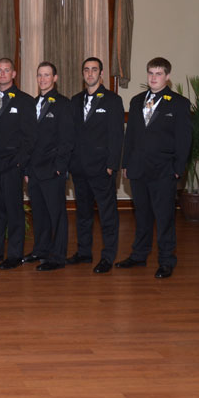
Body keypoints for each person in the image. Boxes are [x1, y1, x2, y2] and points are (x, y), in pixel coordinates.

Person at [118, 57, 191, 278]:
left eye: (158, 74)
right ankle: (139, 256)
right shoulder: (137, 100)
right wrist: (125, 163)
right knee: (142, 216)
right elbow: (130, 136)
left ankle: (167, 260)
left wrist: (178, 169)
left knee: (164, 218)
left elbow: (184, 139)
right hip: (138, 169)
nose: (153, 77)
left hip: (164, 171)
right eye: (150, 73)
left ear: (167, 77)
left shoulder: (178, 103)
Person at [68, 57, 124, 274]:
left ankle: (107, 257)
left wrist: (112, 164)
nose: (90, 73)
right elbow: (71, 135)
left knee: (107, 215)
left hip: (102, 169)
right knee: (82, 214)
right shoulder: (75, 100)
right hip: (80, 169)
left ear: (101, 74)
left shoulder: (112, 100)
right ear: (83, 74)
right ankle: (84, 252)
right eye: (86, 70)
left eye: (94, 70)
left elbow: (116, 135)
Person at [0, 57, 35, 270]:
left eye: (7, 70)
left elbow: (30, 137)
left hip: (13, 165)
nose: (3, 74)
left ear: (14, 74)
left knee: (14, 210)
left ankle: (14, 254)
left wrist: (20, 163)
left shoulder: (24, 100)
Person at [23, 62, 74, 271]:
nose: (43, 79)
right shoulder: (32, 103)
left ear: (55, 78)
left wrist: (59, 167)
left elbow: (67, 139)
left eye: (47, 75)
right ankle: (40, 249)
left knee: (57, 215)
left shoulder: (63, 104)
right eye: (39, 75)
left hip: (53, 169)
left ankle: (57, 256)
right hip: (33, 171)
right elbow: (26, 140)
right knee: (39, 214)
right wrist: (26, 169)